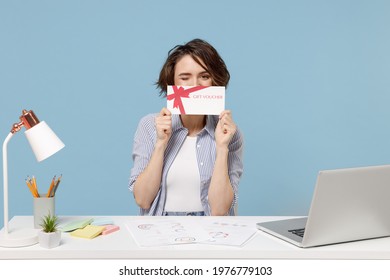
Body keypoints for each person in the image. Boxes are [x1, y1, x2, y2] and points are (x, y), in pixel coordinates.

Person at [129, 38, 243, 216]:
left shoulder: (229, 134)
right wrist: (160, 144)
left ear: (215, 82)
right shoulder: (149, 125)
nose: (195, 85)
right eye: (185, 77)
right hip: (159, 230)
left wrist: (222, 148)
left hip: (211, 231)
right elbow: (142, 199)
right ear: (172, 83)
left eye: (204, 77)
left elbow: (220, 209)